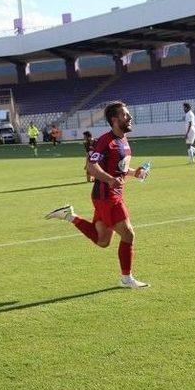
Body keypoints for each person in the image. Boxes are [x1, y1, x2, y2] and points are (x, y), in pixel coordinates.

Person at [45, 101, 150, 289]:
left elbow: (120, 169)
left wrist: (136, 173)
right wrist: (110, 180)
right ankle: (126, 279)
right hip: (107, 196)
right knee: (128, 235)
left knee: (102, 241)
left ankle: (69, 215)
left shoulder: (123, 141)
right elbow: (92, 167)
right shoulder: (105, 141)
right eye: (126, 115)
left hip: (109, 195)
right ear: (115, 119)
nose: (130, 117)